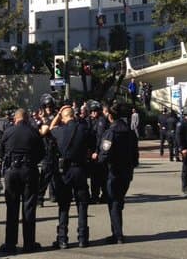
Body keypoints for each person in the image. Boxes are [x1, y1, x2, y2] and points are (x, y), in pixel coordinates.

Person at [0, 108, 45, 253]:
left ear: (15, 119)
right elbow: (42, 152)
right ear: (27, 118)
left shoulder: (8, 131)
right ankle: (29, 244)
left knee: (12, 207)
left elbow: (0, 151)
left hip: (12, 171)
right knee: (29, 207)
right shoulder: (33, 132)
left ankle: (10, 244)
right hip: (29, 170)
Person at [49, 104, 93, 248]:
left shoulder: (60, 130)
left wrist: (58, 114)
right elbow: (91, 146)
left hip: (65, 171)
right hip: (80, 169)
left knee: (64, 205)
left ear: (63, 117)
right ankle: (83, 238)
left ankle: (62, 238)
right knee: (82, 204)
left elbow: (50, 128)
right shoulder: (84, 129)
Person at [99, 103, 138, 243]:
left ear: (110, 116)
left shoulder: (111, 132)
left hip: (113, 171)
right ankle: (117, 231)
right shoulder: (131, 132)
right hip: (127, 171)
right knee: (119, 200)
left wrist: (99, 162)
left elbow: (105, 152)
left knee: (113, 202)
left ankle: (117, 234)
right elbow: (135, 154)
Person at [37, 94, 58, 206]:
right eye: (46, 106)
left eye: (50, 106)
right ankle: (44, 196)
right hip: (47, 148)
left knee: (52, 174)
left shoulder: (54, 117)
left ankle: (50, 195)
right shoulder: (42, 118)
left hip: (53, 148)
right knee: (47, 174)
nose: (48, 109)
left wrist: (42, 121)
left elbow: (44, 131)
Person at [88, 101, 108, 204]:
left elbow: (100, 137)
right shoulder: (91, 120)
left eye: (96, 111)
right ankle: (95, 195)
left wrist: (96, 151)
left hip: (99, 151)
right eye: (92, 111)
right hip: (92, 151)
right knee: (94, 176)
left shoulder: (101, 121)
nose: (94, 113)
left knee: (101, 175)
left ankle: (104, 195)